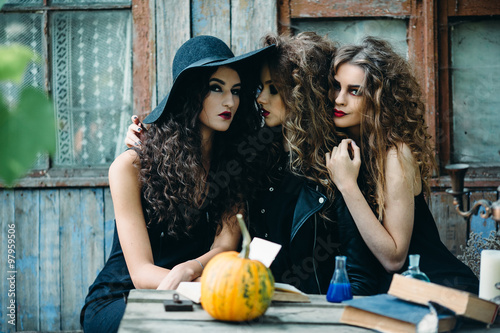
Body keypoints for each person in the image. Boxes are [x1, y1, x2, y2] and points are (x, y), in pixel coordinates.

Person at [80, 35, 273, 333]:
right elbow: (142, 274)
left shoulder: (235, 163)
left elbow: (225, 247)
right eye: (216, 88)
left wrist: (193, 267)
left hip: (194, 293)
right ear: (190, 94)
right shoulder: (131, 166)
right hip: (122, 298)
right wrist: (198, 280)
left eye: (235, 91)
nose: (229, 101)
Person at [325, 36, 479, 293]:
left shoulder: (396, 154)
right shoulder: (349, 148)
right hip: (391, 296)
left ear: (379, 98)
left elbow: (394, 258)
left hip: (437, 289)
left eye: (354, 91)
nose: (338, 99)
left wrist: (347, 185)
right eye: (335, 87)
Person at [247, 32, 384, 295]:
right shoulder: (261, 160)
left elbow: (360, 279)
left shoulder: (337, 165)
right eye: (260, 88)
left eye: (273, 89)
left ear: (301, 96)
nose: (261, 98)